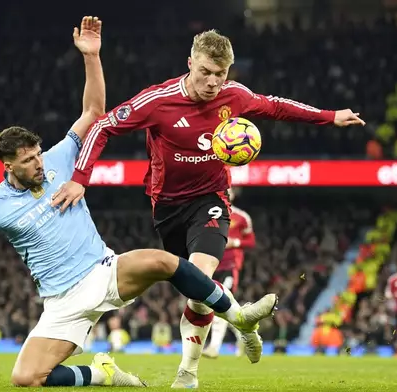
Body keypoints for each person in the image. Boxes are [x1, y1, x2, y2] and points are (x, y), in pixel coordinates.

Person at [0, 17, 277, 388]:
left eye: (38, 154)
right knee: (26, 378)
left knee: (165, 262)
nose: (38, 164)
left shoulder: (60, 159)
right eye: (28, 161)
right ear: (8, 164)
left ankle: (238, 318)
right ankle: (100, 374)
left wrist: (92, 57)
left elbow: (94, 113)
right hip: (61, 300)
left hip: (102, 272)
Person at [52, 29, 365, 388]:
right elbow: (103, 126)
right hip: (167, 207)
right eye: (205, 72)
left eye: (221, 73)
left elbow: (277, 106)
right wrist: (80, 178)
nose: (214, 82)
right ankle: (242, 320)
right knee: (197, 294)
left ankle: (188, 373)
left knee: (202, 276)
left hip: (211, 199)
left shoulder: (235, 96)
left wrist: (329, 116)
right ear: (190, 64)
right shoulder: (159, 101)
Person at [203, 187, 255, 358]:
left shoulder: (241, 217)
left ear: (234, 195)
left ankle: (214, 348)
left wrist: (236, 242)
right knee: (224, 308)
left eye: (229, 191)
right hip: (211, 265)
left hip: (230, 266)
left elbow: (251, 241)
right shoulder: (209, 214)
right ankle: (245, 333)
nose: (226, 193)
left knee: (219, 304)